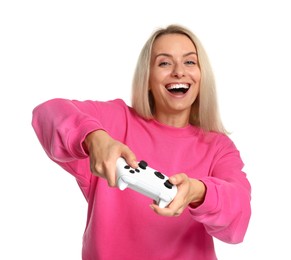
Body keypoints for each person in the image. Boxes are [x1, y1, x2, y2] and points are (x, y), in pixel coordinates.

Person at [32, 24, 251, 260]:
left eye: (189, 62)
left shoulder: (218, 147)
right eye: (164, 63)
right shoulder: (114, 121)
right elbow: (47, 113)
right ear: (147, 77)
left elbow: (238, 220)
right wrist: (94, 137)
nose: (179, 72)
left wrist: (197, 192)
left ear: (201, 75)